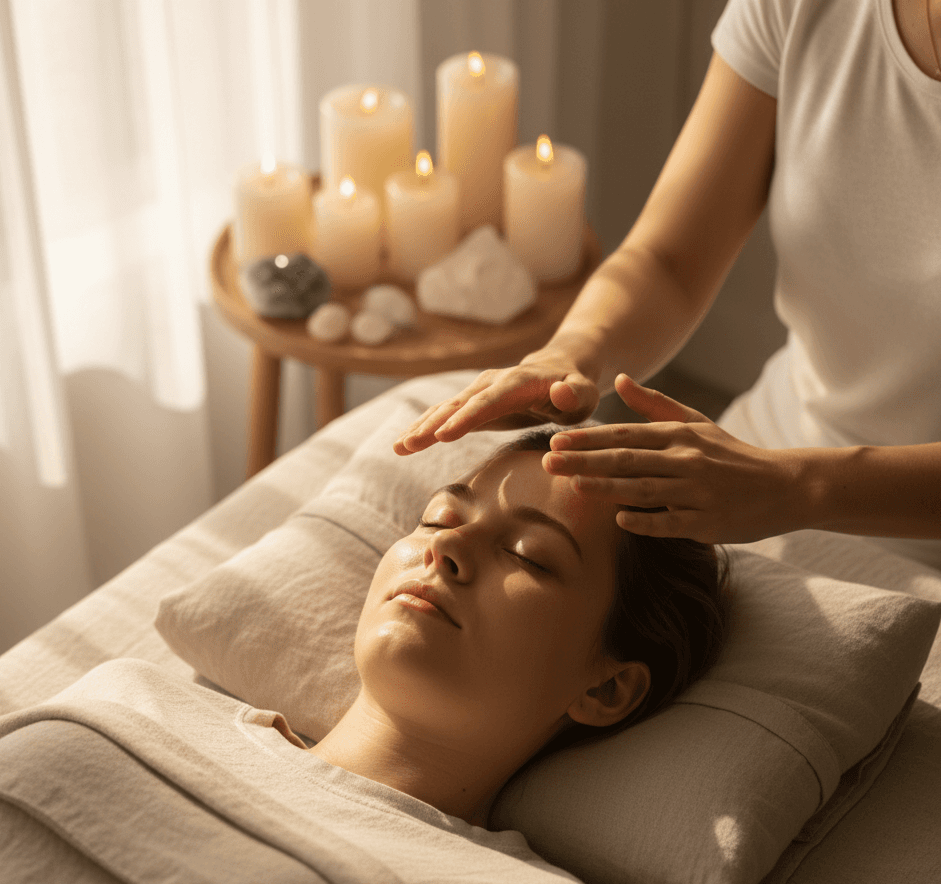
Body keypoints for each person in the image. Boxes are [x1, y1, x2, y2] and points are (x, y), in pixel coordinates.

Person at [0, 429, 727, 884]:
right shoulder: (134, 700)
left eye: (529, 555)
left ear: (609, 687)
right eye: (441, 516)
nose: (446, 550)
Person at [393, 0, 941, 570]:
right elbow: (669, 261)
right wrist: (572, 352)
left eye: (532, 557)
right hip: (761, 459)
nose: (445, 551)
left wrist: (797, 488)